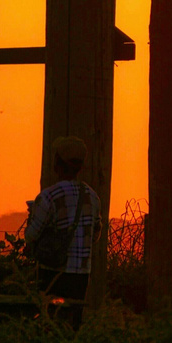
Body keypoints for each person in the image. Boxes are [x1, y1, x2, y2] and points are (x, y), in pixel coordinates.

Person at [24, 136, 102, 326]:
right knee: (73, 323)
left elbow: (31, 235)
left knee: (50, 322)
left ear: (57, 163)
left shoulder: (49, 196)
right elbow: (96, 235)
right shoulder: (93, 197)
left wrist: (33, 214)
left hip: (53, 273)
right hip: (82, 276)